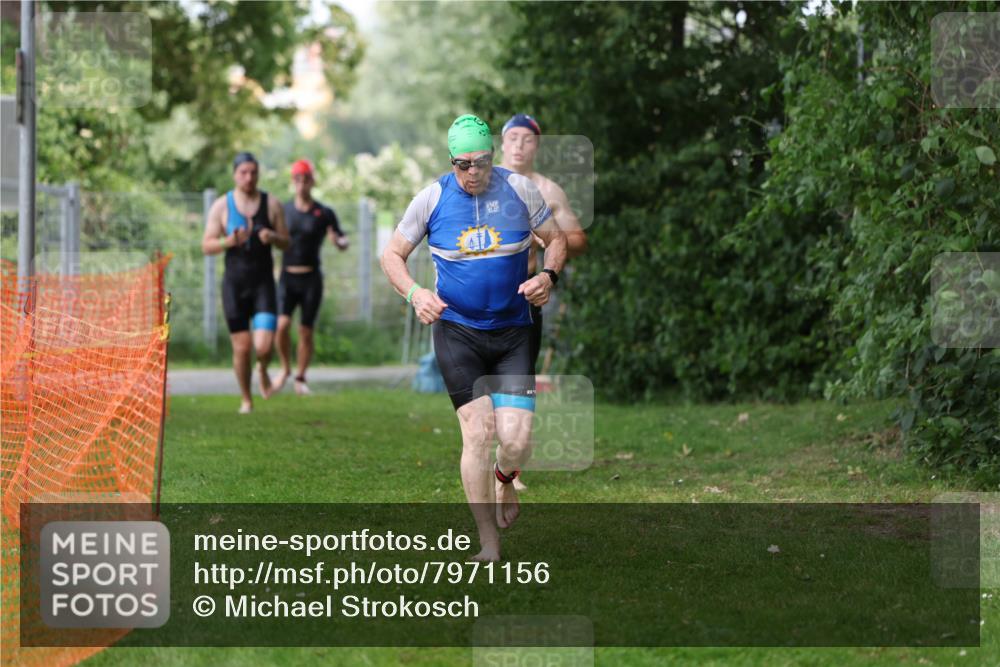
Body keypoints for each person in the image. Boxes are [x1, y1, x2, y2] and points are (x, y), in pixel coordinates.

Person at [381, 115, 567, 562]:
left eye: (479, 163)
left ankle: (505, 480)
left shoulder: (520, 191)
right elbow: (391, 254)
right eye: (461, 164)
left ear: (491, 157)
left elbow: (555, 240)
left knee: (517, 440)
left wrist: (548, 274)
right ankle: (488, 542)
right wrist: (414, 291)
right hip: (457, 331)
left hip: (512, 333)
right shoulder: (431, 199)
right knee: (478, 431)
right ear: (451, 162)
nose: (471, 173)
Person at [500, 113, 589, 490]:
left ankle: (510, 466)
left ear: (537, 146)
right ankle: (494, 455)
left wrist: (550, 239)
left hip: (525, 300)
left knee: (518, 380)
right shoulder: (483, 184)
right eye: (513, 138)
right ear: (502, 143)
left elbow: (577, 239)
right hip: (481, 299)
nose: (520, 145)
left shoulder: (549, 192)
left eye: (528, 139)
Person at [201, 152, 289, 414]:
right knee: (242, 347)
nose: (249, 177)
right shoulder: (222, 206)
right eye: (243, 173)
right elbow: (206, 245)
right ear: (235, 174)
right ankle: (246, 398)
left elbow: (287, 242)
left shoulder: (271, 204)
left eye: (253, 172)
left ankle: (262, 366)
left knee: (262, 346)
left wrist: (272, 237)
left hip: (263, 285)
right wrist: (228, 241)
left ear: (258, 174)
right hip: (234, 286)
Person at [273, 159, 349, 395]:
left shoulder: (323, 213)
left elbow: (341, 239)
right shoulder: (283, 211)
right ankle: (285, 368)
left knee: (306, 330)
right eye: (298, 179)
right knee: (282, 325)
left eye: (306, 179)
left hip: (311, 280)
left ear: (312, 181)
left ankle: (300, 378)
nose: (302, 184)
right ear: (292, 182)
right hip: (287, 276)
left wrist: (339, 241)